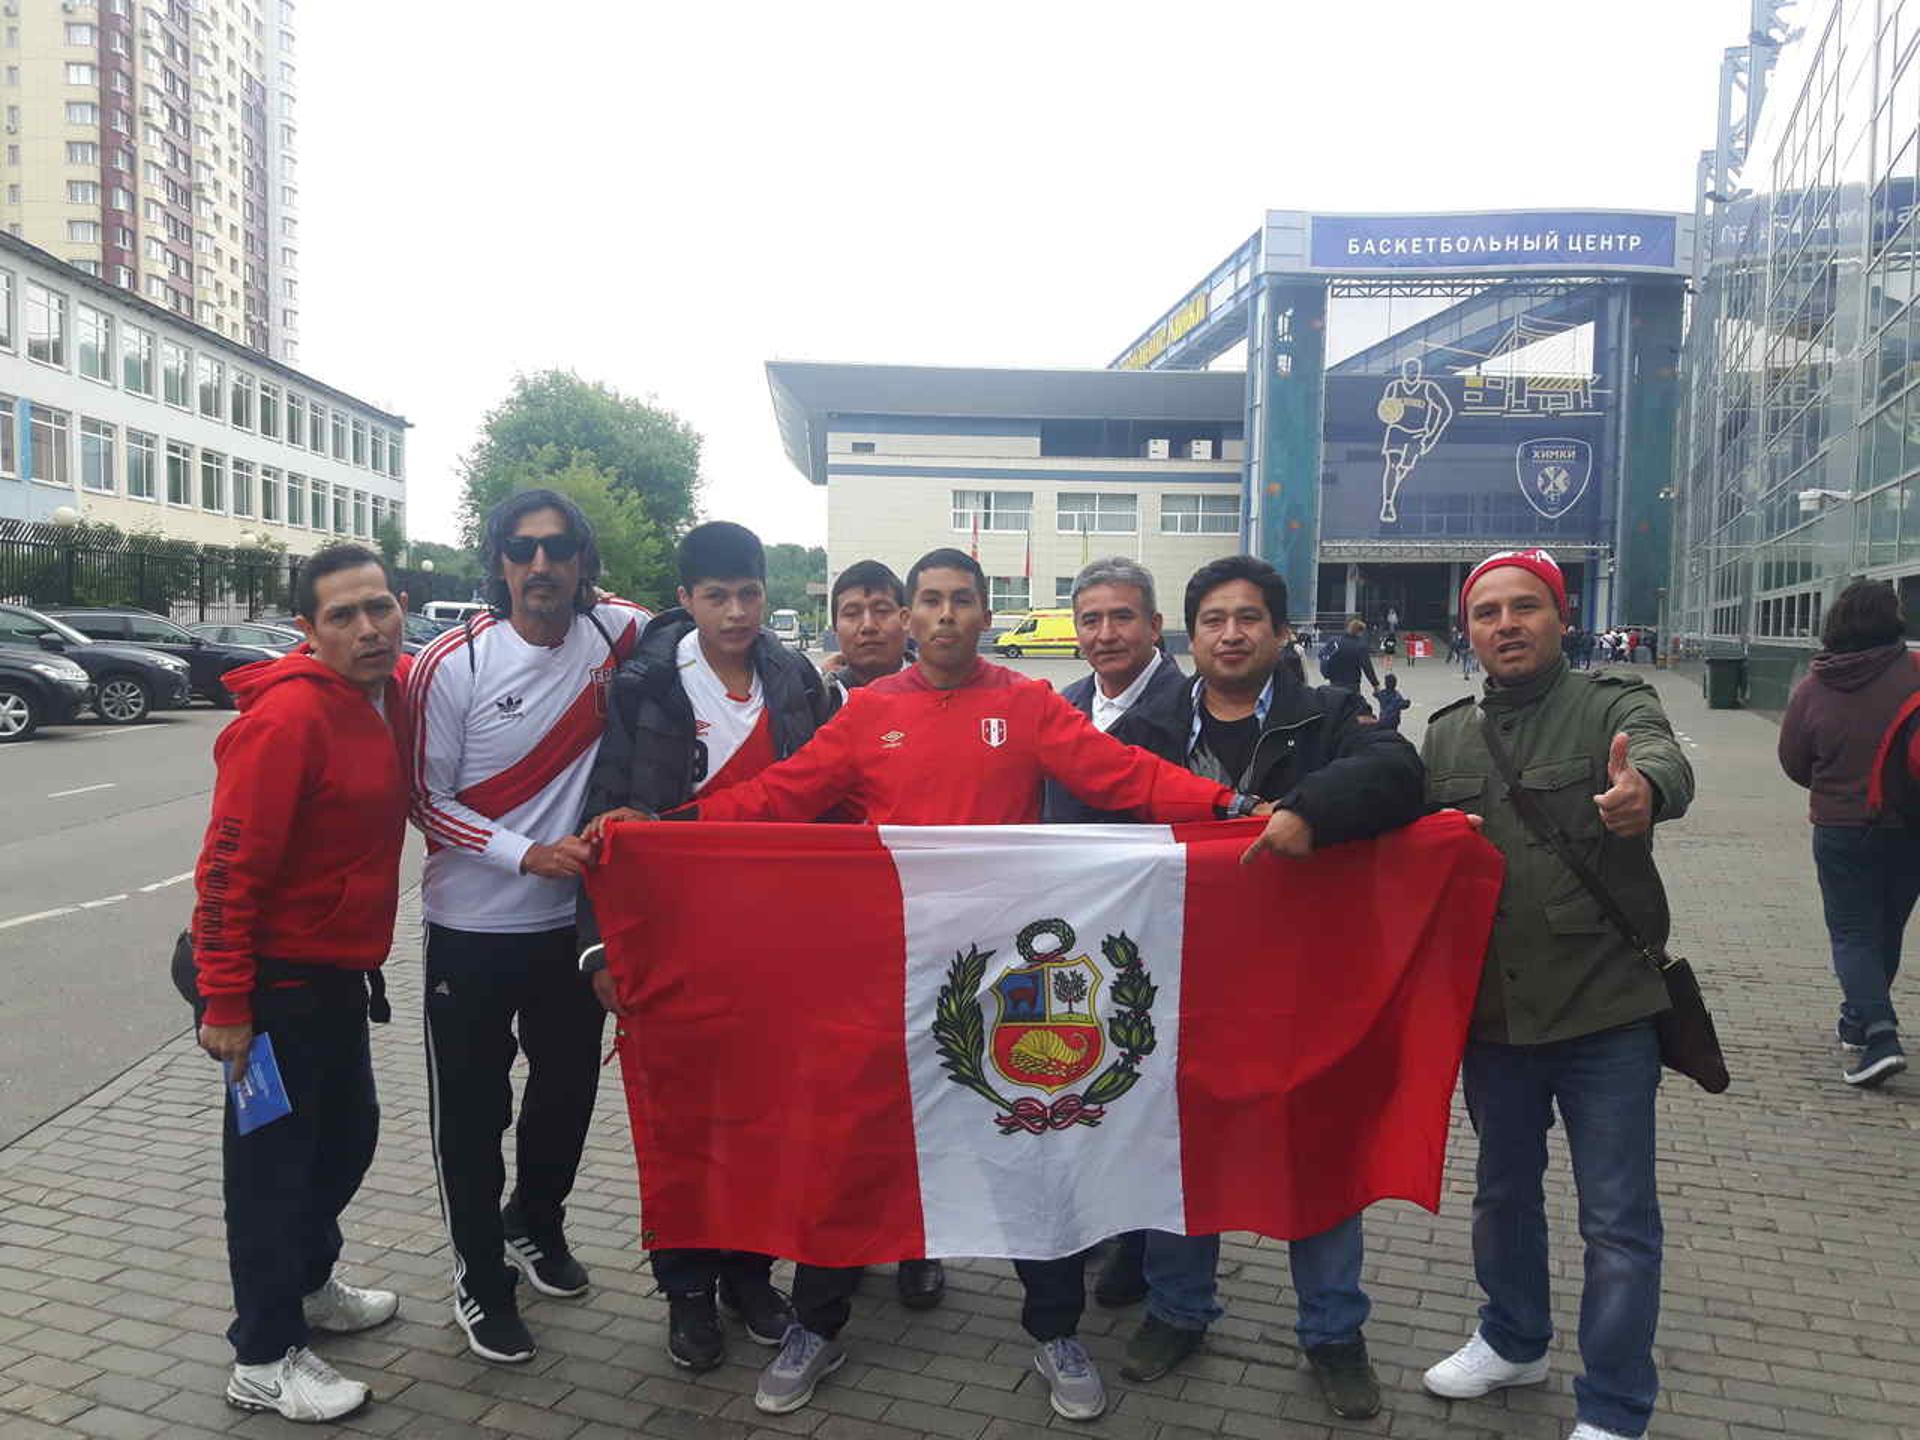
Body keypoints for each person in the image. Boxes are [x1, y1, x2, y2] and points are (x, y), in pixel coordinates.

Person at [588, 546, 1288, 1423]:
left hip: (1003, 983)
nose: (947, 615)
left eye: (962, 601)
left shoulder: (1027, 703)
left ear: (986, 616)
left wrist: (1223, 808)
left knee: (1034, 1153)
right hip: (890, 976)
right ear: (910, 618)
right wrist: (668, 828)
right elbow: (778, 797)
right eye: (931, 601)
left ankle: (1054, 1330)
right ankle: (817, 1322)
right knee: (852, 1149)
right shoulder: (868, 711)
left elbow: (1127, 778)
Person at [1075, 556, 1426, 1417]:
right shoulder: (1142, 732)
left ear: (1278, 632)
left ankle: (1334, 1334)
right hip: (1177, 986)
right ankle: (1179, 1309)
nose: (1231, 634)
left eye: (1249, 618)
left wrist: (1311, 808)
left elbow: (1400, 775)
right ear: (1189, 637)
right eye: (1214, 621)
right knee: (1179, 1151)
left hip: (1307, 985)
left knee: (1317, 1153)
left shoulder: (1332, 716)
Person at [573, 522, 865, 1374]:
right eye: (717, 597)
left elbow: (827, 802)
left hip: (775, 943)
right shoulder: (647, 686)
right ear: (686, 599)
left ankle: (750, 1277)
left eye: (749, 593)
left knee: (769, 1119)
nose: (737, 612)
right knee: (683, 1122)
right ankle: (687, 1291)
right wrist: (600, 950)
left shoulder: (794, 677)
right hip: (674, 939)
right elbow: (609, 813)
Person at [1419, 548, 1693, 1440]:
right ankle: (1513, 1338)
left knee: (1616, 1220)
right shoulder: (1449, 731)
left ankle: (1614, 1409)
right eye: (1487, 610)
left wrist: (1643, 788)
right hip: (1494, 1017)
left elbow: (1658, 752)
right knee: (1502, 1193)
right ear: (1468, 628)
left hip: (1604, 1013)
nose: (1506, 624)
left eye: (1525, 607)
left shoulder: (1610, 704)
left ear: (1560, 617)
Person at [406, 489, 650, 1365]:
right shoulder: (450, 664)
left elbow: (713, 634)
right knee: (472, 1116)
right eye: (522, 549)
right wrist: (524, 852)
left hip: (569, 933)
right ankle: (478, 1273)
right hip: (469, 926)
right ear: (500, 561)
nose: (540, 566)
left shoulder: (622, 634)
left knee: (566, 1095)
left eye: (557, 548)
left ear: (583, 560)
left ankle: (534, 1225)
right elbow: (424, 801)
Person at [192, 544, 410, 1423]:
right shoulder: (287, 722)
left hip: (333, 979)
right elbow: (227, 871)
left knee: (347, 1139)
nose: (369, 628)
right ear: (308, 630)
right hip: (271, 986)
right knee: (272, 1174)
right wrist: (226, 1001)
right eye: (344, 616)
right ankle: (264, 1354)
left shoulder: (376, 702)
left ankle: (311, 1285)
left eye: (380, 607)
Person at [1778, 580, 1920, 1086]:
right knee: (1885, 928)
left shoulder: (1816, 685)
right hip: (1909, 824)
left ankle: (1879, 1034)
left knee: (1853, 932)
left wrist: (1833, 781)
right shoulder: (1914, 672)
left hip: (1841, 826)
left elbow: (1794, 761)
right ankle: (1859, 1021)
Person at [1043, 555, 1186, 822]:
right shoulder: (1061, 708)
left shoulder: (1194, 710)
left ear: (1154, 626)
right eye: (1091, 621)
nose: (1106, 635)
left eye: (1122, 617)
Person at [820, 558, 914, 711]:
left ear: (906, 620)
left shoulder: (941, 690)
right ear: (835, 628)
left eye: (882, 611)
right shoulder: (815, 704)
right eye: (852, 613)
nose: (868, 625)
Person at [1320, 616, 1380, 697]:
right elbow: (1367, 667)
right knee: (1352, 707)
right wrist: (1375, 685)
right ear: (1359, 632)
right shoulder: (1360, 646)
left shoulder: (1334, 641)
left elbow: (1321, 655)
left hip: (1334, 684)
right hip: (1352, 685)